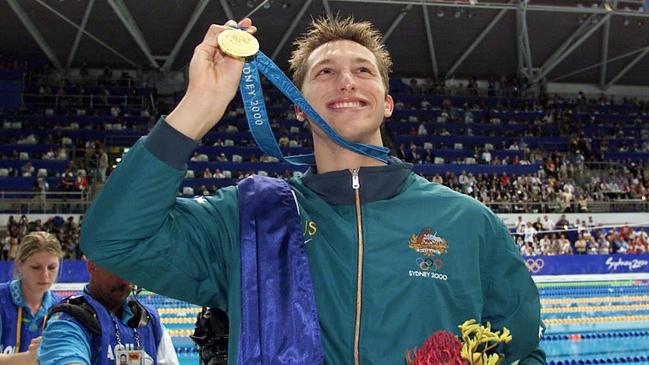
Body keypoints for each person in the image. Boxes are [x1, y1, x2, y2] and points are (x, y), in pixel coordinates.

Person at [79, 16, 545, 364]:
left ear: (386, 103)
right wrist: (199, 105)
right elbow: (114, 240)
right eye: (324, 73)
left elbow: (523, 350)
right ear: (299, 107)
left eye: (363, 71)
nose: (346, 80)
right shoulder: (249, 220)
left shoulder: (467, 222)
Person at [37, 261, 178, 365]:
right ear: (92, 265)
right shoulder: (67, 320)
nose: (125, 280)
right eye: (117, 268)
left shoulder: (150, 320)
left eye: (131, 268)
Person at [0, 231, 63, 365]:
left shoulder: (62, 309)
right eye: (36, 268)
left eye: (52, 267)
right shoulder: (2, 300)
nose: (45, 276)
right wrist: (27, 359)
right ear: (19, 265)